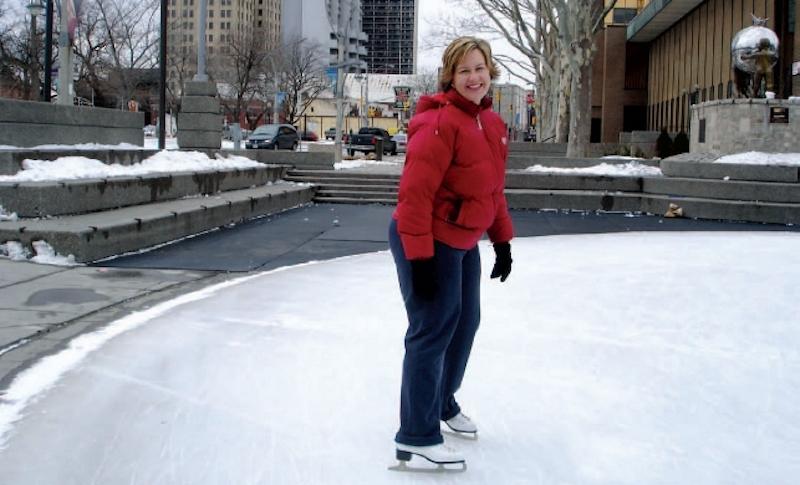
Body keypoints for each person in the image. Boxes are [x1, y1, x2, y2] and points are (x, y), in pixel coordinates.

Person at [388, 36, 514, 467]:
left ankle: (441, 402)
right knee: (431, 329)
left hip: (463, 240)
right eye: (464, 71)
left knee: (465, 323)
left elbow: (493, 191)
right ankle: (417, 435)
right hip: (426, 237)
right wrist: (419, 259)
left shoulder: (492, 125)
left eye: (479, 68)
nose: (474, 77)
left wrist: (502, 241)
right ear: (451, 76)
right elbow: (414, 197)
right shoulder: (439, 122)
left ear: (489, 70)